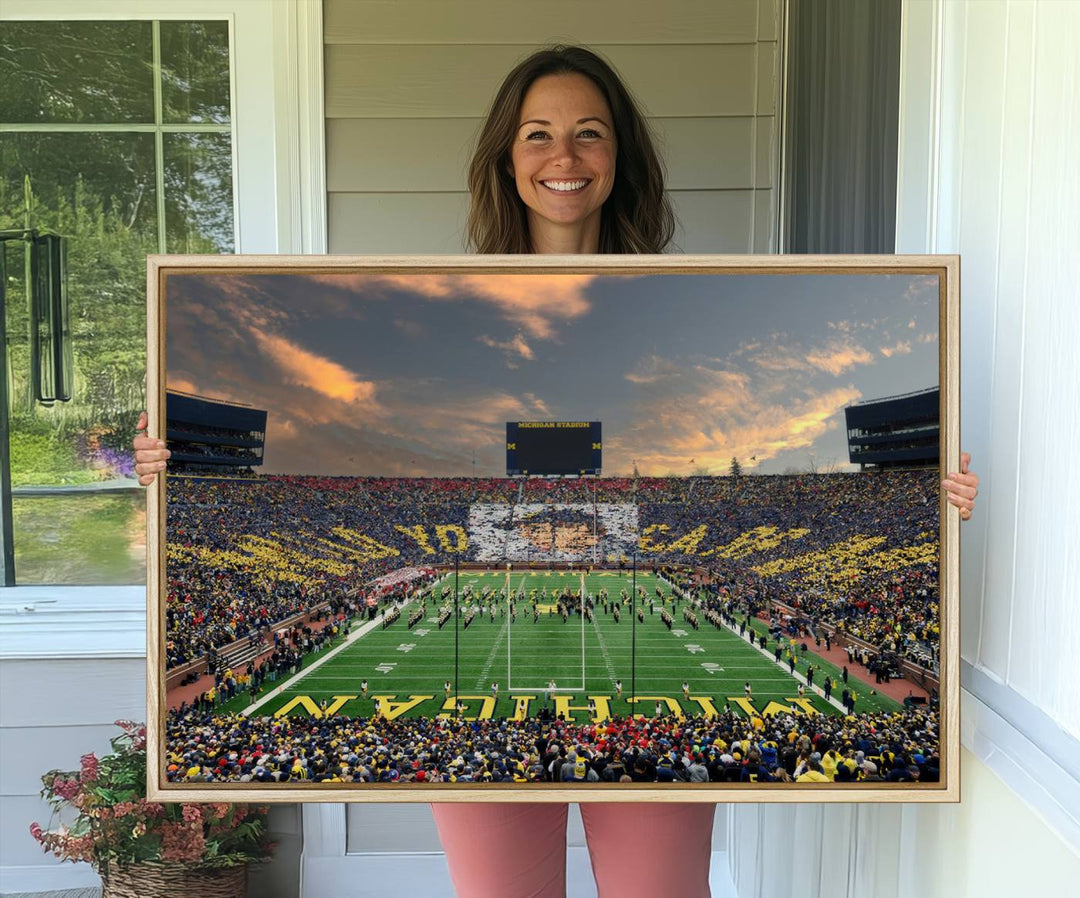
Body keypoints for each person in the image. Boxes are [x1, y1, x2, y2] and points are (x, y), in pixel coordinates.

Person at [134, 43, 980, 898]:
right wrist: (170, 476)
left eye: (589, 133)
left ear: (621, 157)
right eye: (537, 134)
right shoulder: (447, 304)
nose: (563, 157)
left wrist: (924, 503)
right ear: (507, 157)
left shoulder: (679, 305)